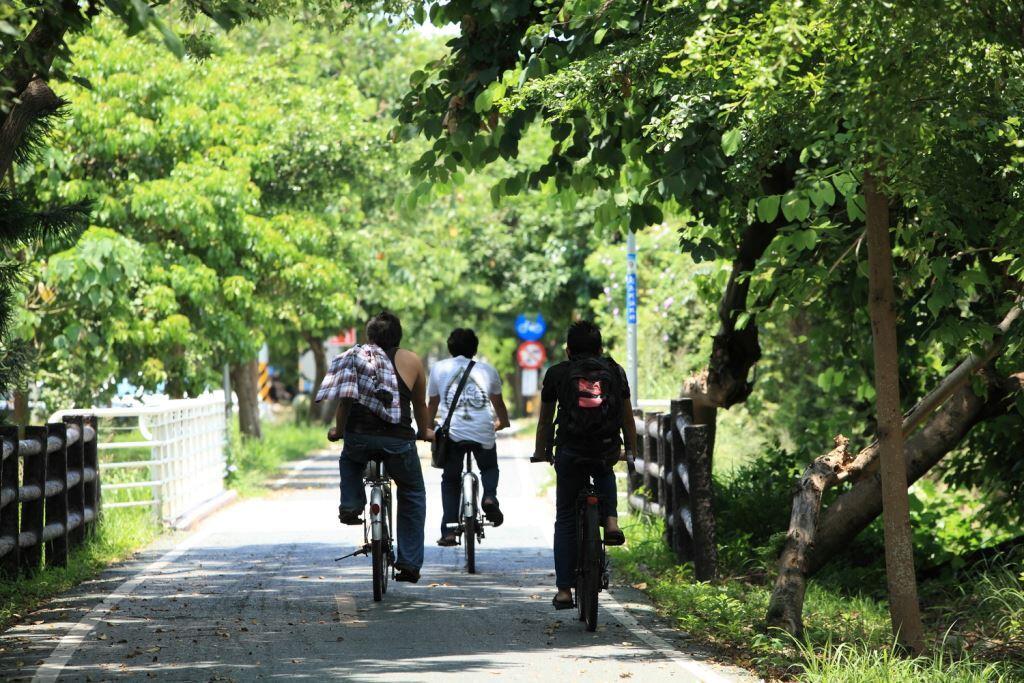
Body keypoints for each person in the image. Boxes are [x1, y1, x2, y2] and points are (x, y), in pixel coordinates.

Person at [533, 320, 637, 610]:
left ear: (568, 351)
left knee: (565, 516)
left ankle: (565, 590)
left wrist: (542, 451)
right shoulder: (614, 371)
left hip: (570, 450)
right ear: (600, 349)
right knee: (604, 468)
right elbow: (627, 418)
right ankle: (611, 521)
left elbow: (544, 421)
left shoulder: (557, 374)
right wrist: (631, 450)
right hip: (605, 447)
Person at [326, 311, 433, 584]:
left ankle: (350, 504)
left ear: (369, 337)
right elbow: (420, 405)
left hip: (359, 438)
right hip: (398, 441)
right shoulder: (411, 360)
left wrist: (339, 431)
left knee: (349, 461)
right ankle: (408, 562)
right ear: (399, 336)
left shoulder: (355, 357)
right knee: (411, 492)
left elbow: (345, 402)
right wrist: (425, 431)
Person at [428, 328, 510, 546]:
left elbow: (432, 404)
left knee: (451, 479)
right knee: (489, 468)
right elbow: (498, 403)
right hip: (483, 429)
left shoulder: (439, 369)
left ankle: (449, 531)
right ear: (475, 349)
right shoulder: (488, 370)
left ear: (450, 348)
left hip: (453, 433)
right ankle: (490, 496)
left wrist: (427, 428)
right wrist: (503, 421)